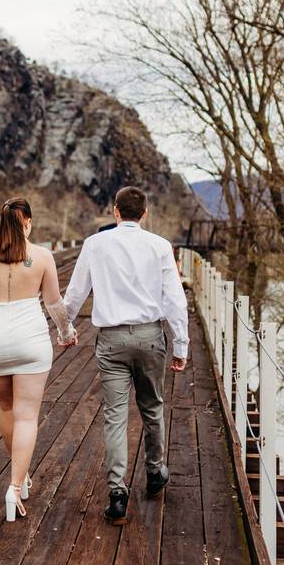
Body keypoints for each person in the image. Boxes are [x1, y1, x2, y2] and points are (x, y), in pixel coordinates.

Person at [63, 186, 189, 525]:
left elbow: (75, 294)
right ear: (144, 213)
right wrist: (181, 345)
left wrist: (65, 329)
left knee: (115, 416)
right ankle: (154, 472)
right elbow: (175, 299)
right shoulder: (161, 246)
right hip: (150, 337)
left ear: (115, 211)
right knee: (153, 407)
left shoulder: (94, 245)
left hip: (112, 341)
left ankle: (117, 495)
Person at [0, 197, 77, 522]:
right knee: (26, 416)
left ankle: (19, 475)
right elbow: (54, 303)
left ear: (2, 222)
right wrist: (66, 332)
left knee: (7, 409)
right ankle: (15, 485)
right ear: (28, 223)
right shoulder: (42, 256)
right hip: (30, 340)